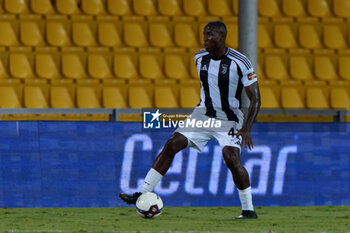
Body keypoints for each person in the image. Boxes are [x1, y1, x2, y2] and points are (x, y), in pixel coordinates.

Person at [120, 21, 261, 219]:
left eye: (210, 35)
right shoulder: (199, 58)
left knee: (231, 159)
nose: (205, 39)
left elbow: (256, 97)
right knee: (172, 144)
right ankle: (142, 194)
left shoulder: (241, 62)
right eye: (204, 34)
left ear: (222, 37)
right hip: (203, 115)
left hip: (229, 119)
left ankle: (248, 210)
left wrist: (246, 128)